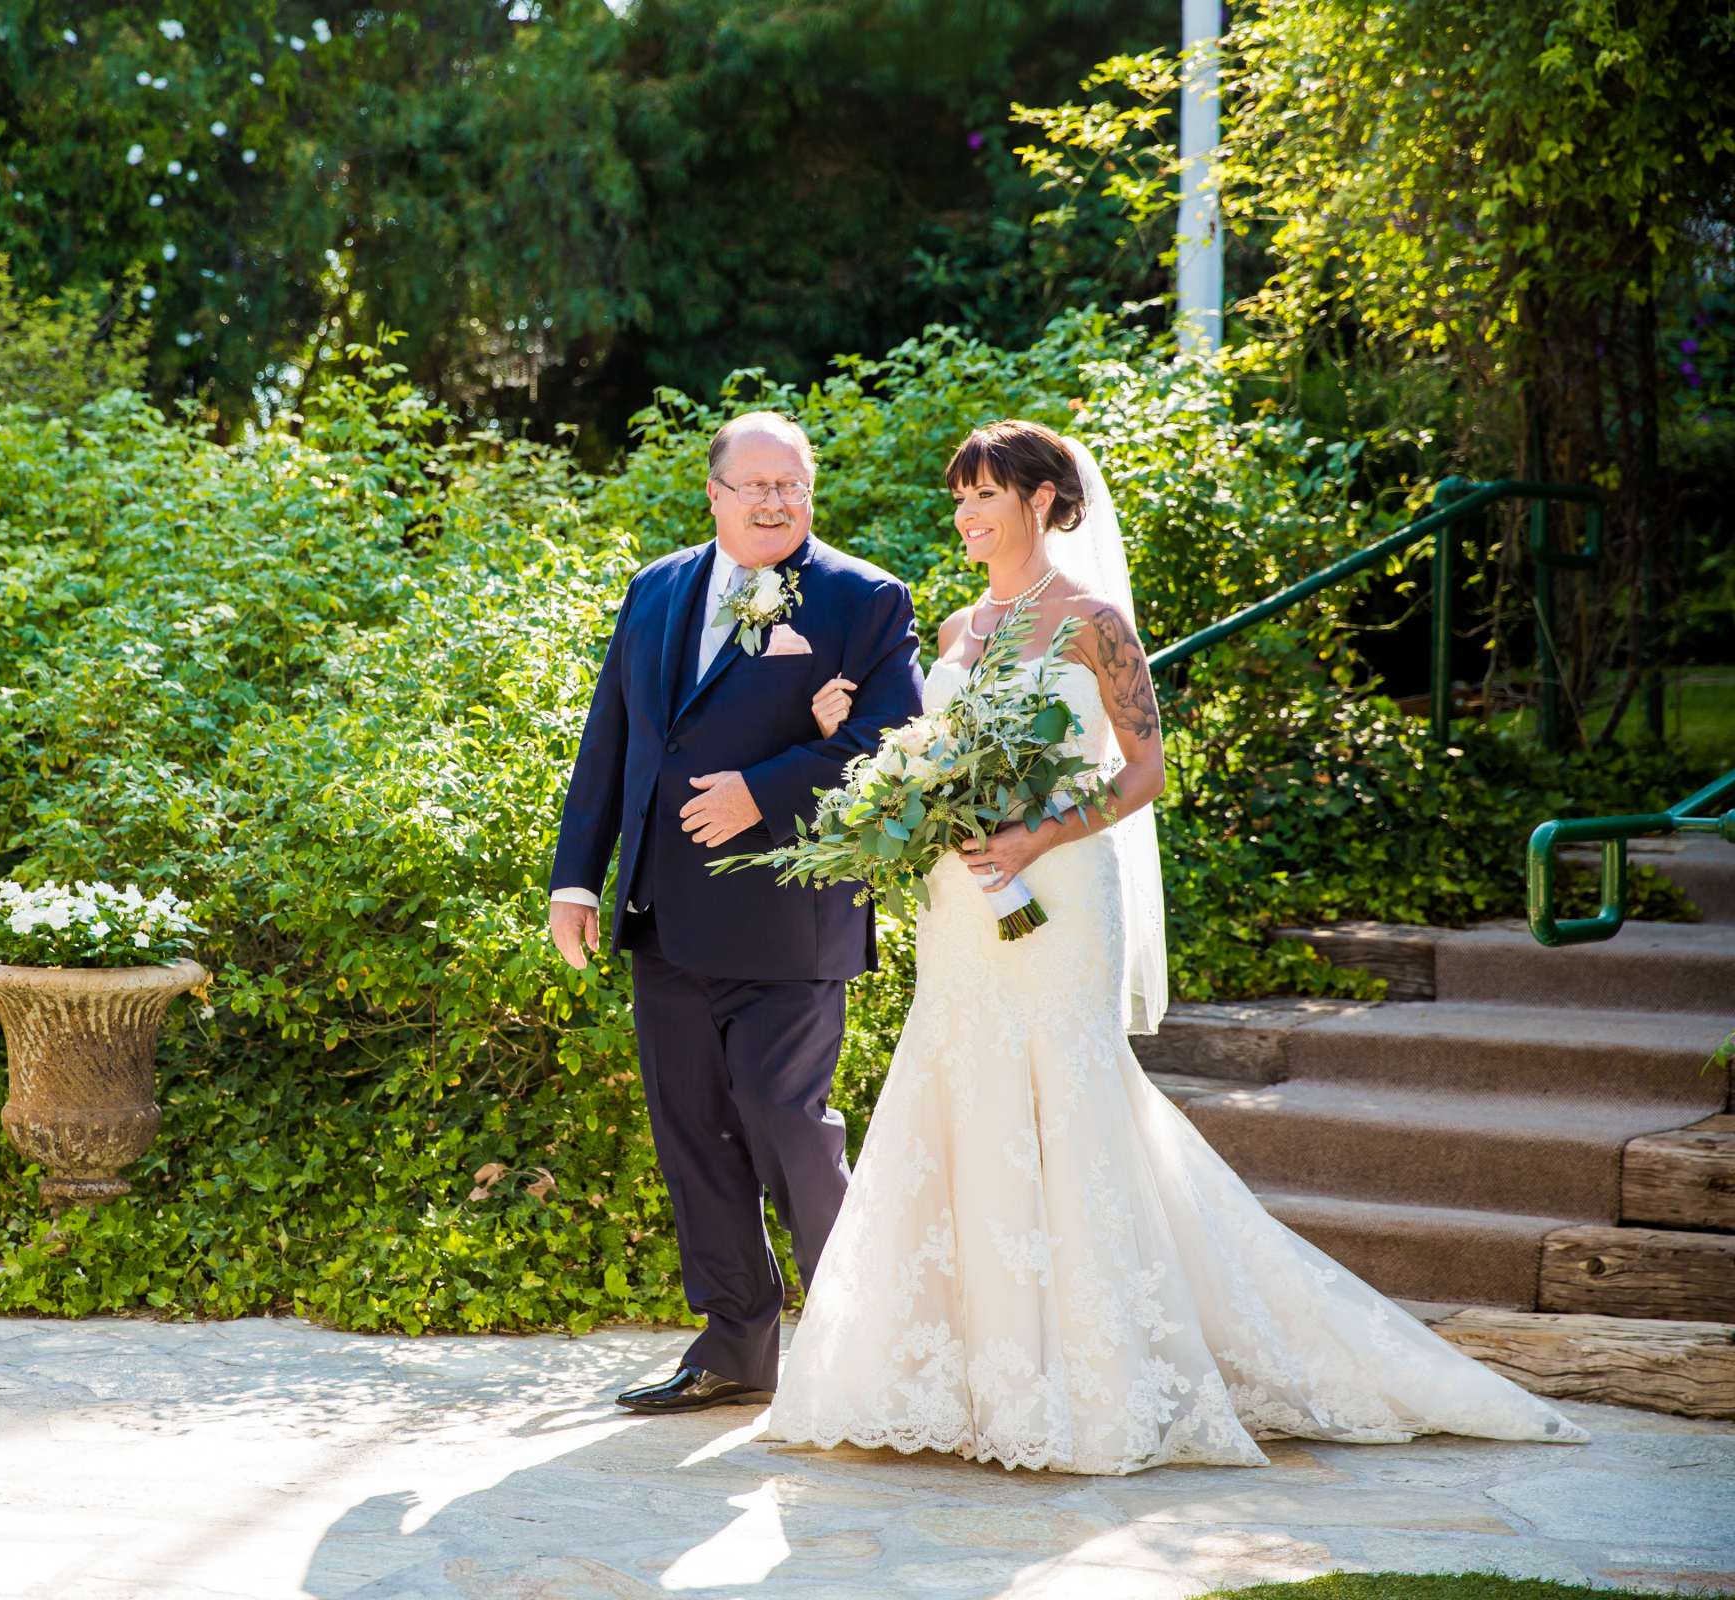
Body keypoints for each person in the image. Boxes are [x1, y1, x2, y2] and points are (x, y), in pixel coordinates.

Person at [764, 418, 1587, 1472]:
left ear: (1045, 502)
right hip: (963, 906)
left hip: (1057, 893)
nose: (966, 515)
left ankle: (1091, 1379)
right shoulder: (962, 627)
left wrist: (1037, 831)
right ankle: (961, 1379)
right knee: (958, 1093)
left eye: (986, 495)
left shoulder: (1095, 625)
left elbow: (1145, 774)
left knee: (1068, 1096)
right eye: (960, 496)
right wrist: (902, 781)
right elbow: (927, 755)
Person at [548, 411, 923, 1414]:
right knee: (693, 1132)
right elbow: (613, 736)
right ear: (713, 494)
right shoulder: (658, 588)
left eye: (790, 484)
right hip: (664, 910)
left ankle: (860, 1342)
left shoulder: (862, 598)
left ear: (810, 492)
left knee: (783, 1120)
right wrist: (576, 878)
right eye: (753, 485)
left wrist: (764, 789)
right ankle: (733, 1346)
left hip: (791, 918)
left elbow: (898, 742)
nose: (773, 501)